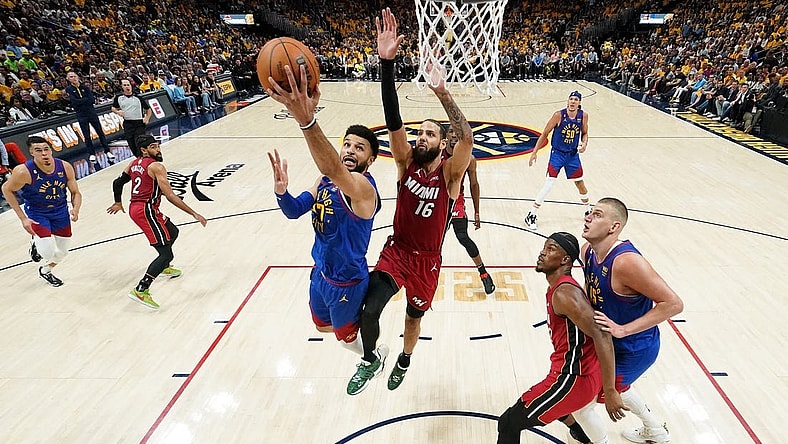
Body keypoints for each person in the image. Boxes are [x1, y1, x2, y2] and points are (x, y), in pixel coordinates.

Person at [346, 8, 474, 396]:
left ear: (442, 144)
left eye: (430, 134)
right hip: (397, 251)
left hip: (427, 261)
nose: (421, 137)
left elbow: (466, 136)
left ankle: (404, 358)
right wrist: (387, 65)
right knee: (370, 308)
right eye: (420, 132)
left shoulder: (450, 175)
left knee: (413, 320)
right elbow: (393, 118)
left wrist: (442, 91)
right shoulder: (405, 163)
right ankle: (370, 359)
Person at [265, 63, 383, 360]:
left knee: (345, 339)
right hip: (320, 273)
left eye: (359, 148)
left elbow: (330, 165)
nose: (349, 151)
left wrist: (306, 120)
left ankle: (373, 357)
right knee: (321, 327)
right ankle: (362, 326)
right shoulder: (324, 181)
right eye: (346, 145)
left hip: (348, 281)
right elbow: (294, 211)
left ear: (371, 160)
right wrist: (282, 192)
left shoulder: (363, 189)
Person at [497, 232, 626, 444]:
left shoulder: (565, 293)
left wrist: (610, 390)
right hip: (574, 373)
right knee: (557, 408)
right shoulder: (560, 288)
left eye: (550, 249)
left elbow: (602, 335)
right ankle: (581, 435)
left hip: (573, 378)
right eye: (544, 248)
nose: (542, 253)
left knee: (509, 423)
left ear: (565, 260)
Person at [582, 197, 684, 443]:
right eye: (588, 212)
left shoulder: (626, 262)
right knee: (613, 389)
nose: (587, 218)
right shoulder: (587, 252)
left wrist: (623, 329)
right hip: (608, 344)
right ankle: (655, 430)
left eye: (597, 215)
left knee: (585, 401)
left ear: (614, 227)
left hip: (635, 348)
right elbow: (593, 289)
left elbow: (673, 304)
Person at [107, 135, 207, 309]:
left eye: (158, 146)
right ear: (144, 150)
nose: (158, 150)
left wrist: (118, 201)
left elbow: (118, 182)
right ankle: (141, 289)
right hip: (145, 210)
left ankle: (164, 267)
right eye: (153, 147)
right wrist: (193, 213)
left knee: (173, 232)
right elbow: (170, 195)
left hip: (143, 208)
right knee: (166, 254)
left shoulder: (134, 163)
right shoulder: (157, 167)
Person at [1, 136, 82, 287]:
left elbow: (75, 192)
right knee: (47, 252)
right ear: (31, 152)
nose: (44, 153)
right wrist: (23, 219)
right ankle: (35, 241)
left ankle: (45, 271)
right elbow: (6, 189)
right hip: (37, 212)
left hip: (60, 211)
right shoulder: (23, 171)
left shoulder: (64, 167)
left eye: (46, 149)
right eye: (38, 150)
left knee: (63, 252)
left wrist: (76, 209)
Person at [525, 91, 591, 231]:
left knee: (580, 183)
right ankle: (532, 214)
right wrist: (534, 152)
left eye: (576, 99)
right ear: (568, 101)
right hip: (557, 154)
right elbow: (544, 133)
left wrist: (585, 144)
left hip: (572, 155)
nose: (573, 101)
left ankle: (588, 210)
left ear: (579, 102)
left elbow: (584, 133)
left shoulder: (583, 116)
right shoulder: (559, 115)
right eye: (571, 99)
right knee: (549, 183)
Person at [443, 126, 495, 295]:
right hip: (437, 200)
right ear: (445, 136)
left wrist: (477, 212)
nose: (454, 134)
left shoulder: (469, 159)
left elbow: (474, 184)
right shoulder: (437, 153)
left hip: (456, 199)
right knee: (434, 239)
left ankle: (483, 273)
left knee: (463, 237)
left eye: (456, 132)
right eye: (450, 131)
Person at [64, 71, 112, 167]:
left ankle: (107, 150)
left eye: (74, 76)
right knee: (87, 135)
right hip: (81, 115)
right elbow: (74, 102)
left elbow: (92, 99)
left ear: (77, 77)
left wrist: (83, 101)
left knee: (100, 132)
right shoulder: (69, 89)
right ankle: (92, 154)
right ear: (68, 79)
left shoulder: (85, 87)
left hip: (91, 113)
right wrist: (85, 100)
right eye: (71, 77)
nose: (73, 78)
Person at [112, 78, 152, 158]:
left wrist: (147, 118)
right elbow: (113, 108)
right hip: (128, 123)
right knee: (131, 144)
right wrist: (118, 112)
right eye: (125, 85)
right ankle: (138, 158)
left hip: (139, 123)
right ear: (121, 87)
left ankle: (144, 159)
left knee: (140, 143)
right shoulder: (118, 98)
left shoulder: (138, 98)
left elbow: (148, 109)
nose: (127, 87)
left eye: (128, 85)